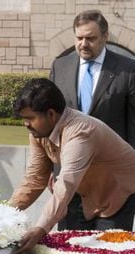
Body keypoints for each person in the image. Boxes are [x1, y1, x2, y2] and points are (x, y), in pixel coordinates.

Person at [9, 78, 135, 254]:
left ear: (51, 114)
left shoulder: (80, 131)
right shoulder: (38, 132)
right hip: (79, 197)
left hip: (115, 197)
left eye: (30, 118)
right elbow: (35, 178)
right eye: (24, 119)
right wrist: (6, 214)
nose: (26, 124)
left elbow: (66, 182)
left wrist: (40, 229)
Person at [49, 9, 135, 230]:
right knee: (67, 253)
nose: (84, 44)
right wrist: (53, 170)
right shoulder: (60, 67)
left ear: (105, 37)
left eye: (91, 38)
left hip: (113, 187)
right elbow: (51, 125)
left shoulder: (128, 71)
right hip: (70, 183)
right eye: (79, 38)